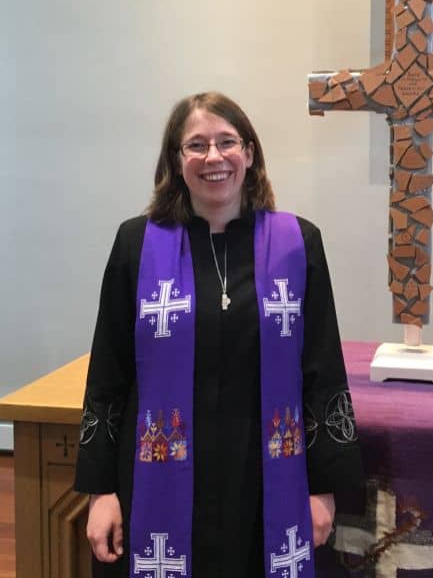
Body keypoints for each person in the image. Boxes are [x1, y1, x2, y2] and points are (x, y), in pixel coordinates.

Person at [74, 91, 363, 577]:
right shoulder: (137, 245)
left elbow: (323, 373)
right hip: (157, 482)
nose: (214, 157)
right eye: (196, 145)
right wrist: (101, 491)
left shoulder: (298, 244)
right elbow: (108, 374)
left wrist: (322, 489)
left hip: (265, 486)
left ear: (249, 154)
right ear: (176, 160)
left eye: (227, 142)